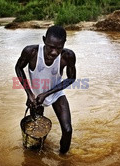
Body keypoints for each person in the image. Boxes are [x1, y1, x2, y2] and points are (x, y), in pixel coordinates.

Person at [15, 25, 76, 154]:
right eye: (50, 47)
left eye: (58, 48)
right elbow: (18, 68)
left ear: (64, 44)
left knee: (67, 130)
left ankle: (63, 158)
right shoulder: (31, 52)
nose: (54, 52)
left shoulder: (68, 56)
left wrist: (48, 93)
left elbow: (71, 78)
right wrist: (29, 94)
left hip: (56, 93)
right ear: (44, 40)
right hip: (36, 96)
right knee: (36, 132)